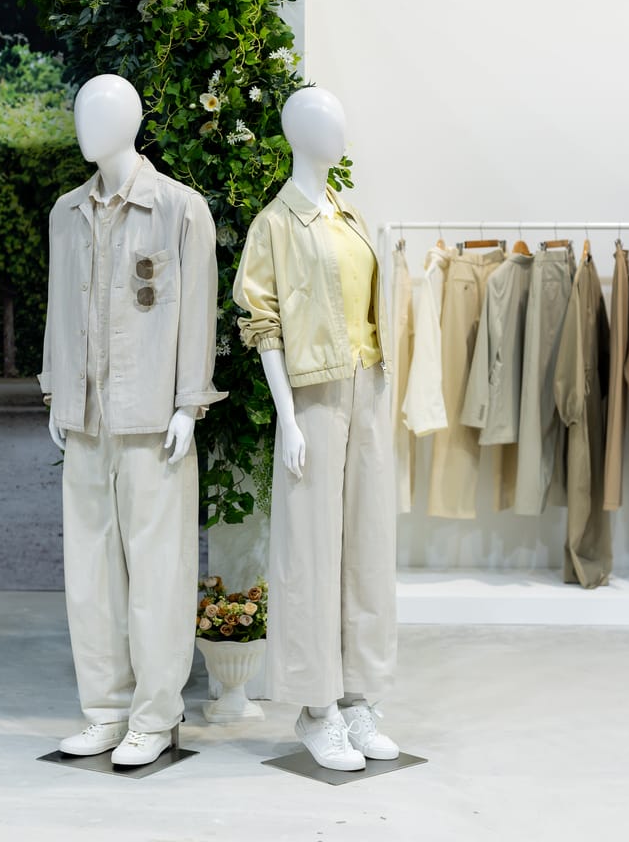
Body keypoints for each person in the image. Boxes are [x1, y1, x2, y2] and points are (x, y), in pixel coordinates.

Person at [39, 74, 225, 767]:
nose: (87, 125)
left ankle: (155, 715)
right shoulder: (66, 213)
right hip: (85, 418)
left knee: (157, 573)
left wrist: (188, 404)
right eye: (82, 112)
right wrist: (56, 391)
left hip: (152, 419)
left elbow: (199, 311)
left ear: (132, 122)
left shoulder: (179, 209)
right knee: (89, 575)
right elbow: (58, 305)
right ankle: (105, 709)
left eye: (102, 113)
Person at [233, 88, 399, 772]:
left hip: (368, 387)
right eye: (329, 122)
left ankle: (357, 696)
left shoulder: (349, 215)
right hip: (313, 395)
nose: (341, 131)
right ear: (297, 133)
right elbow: (262, 323)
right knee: (310, 550)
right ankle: (316, 707)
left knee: (367, 547)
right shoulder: (275, 223)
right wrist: (288, 416)